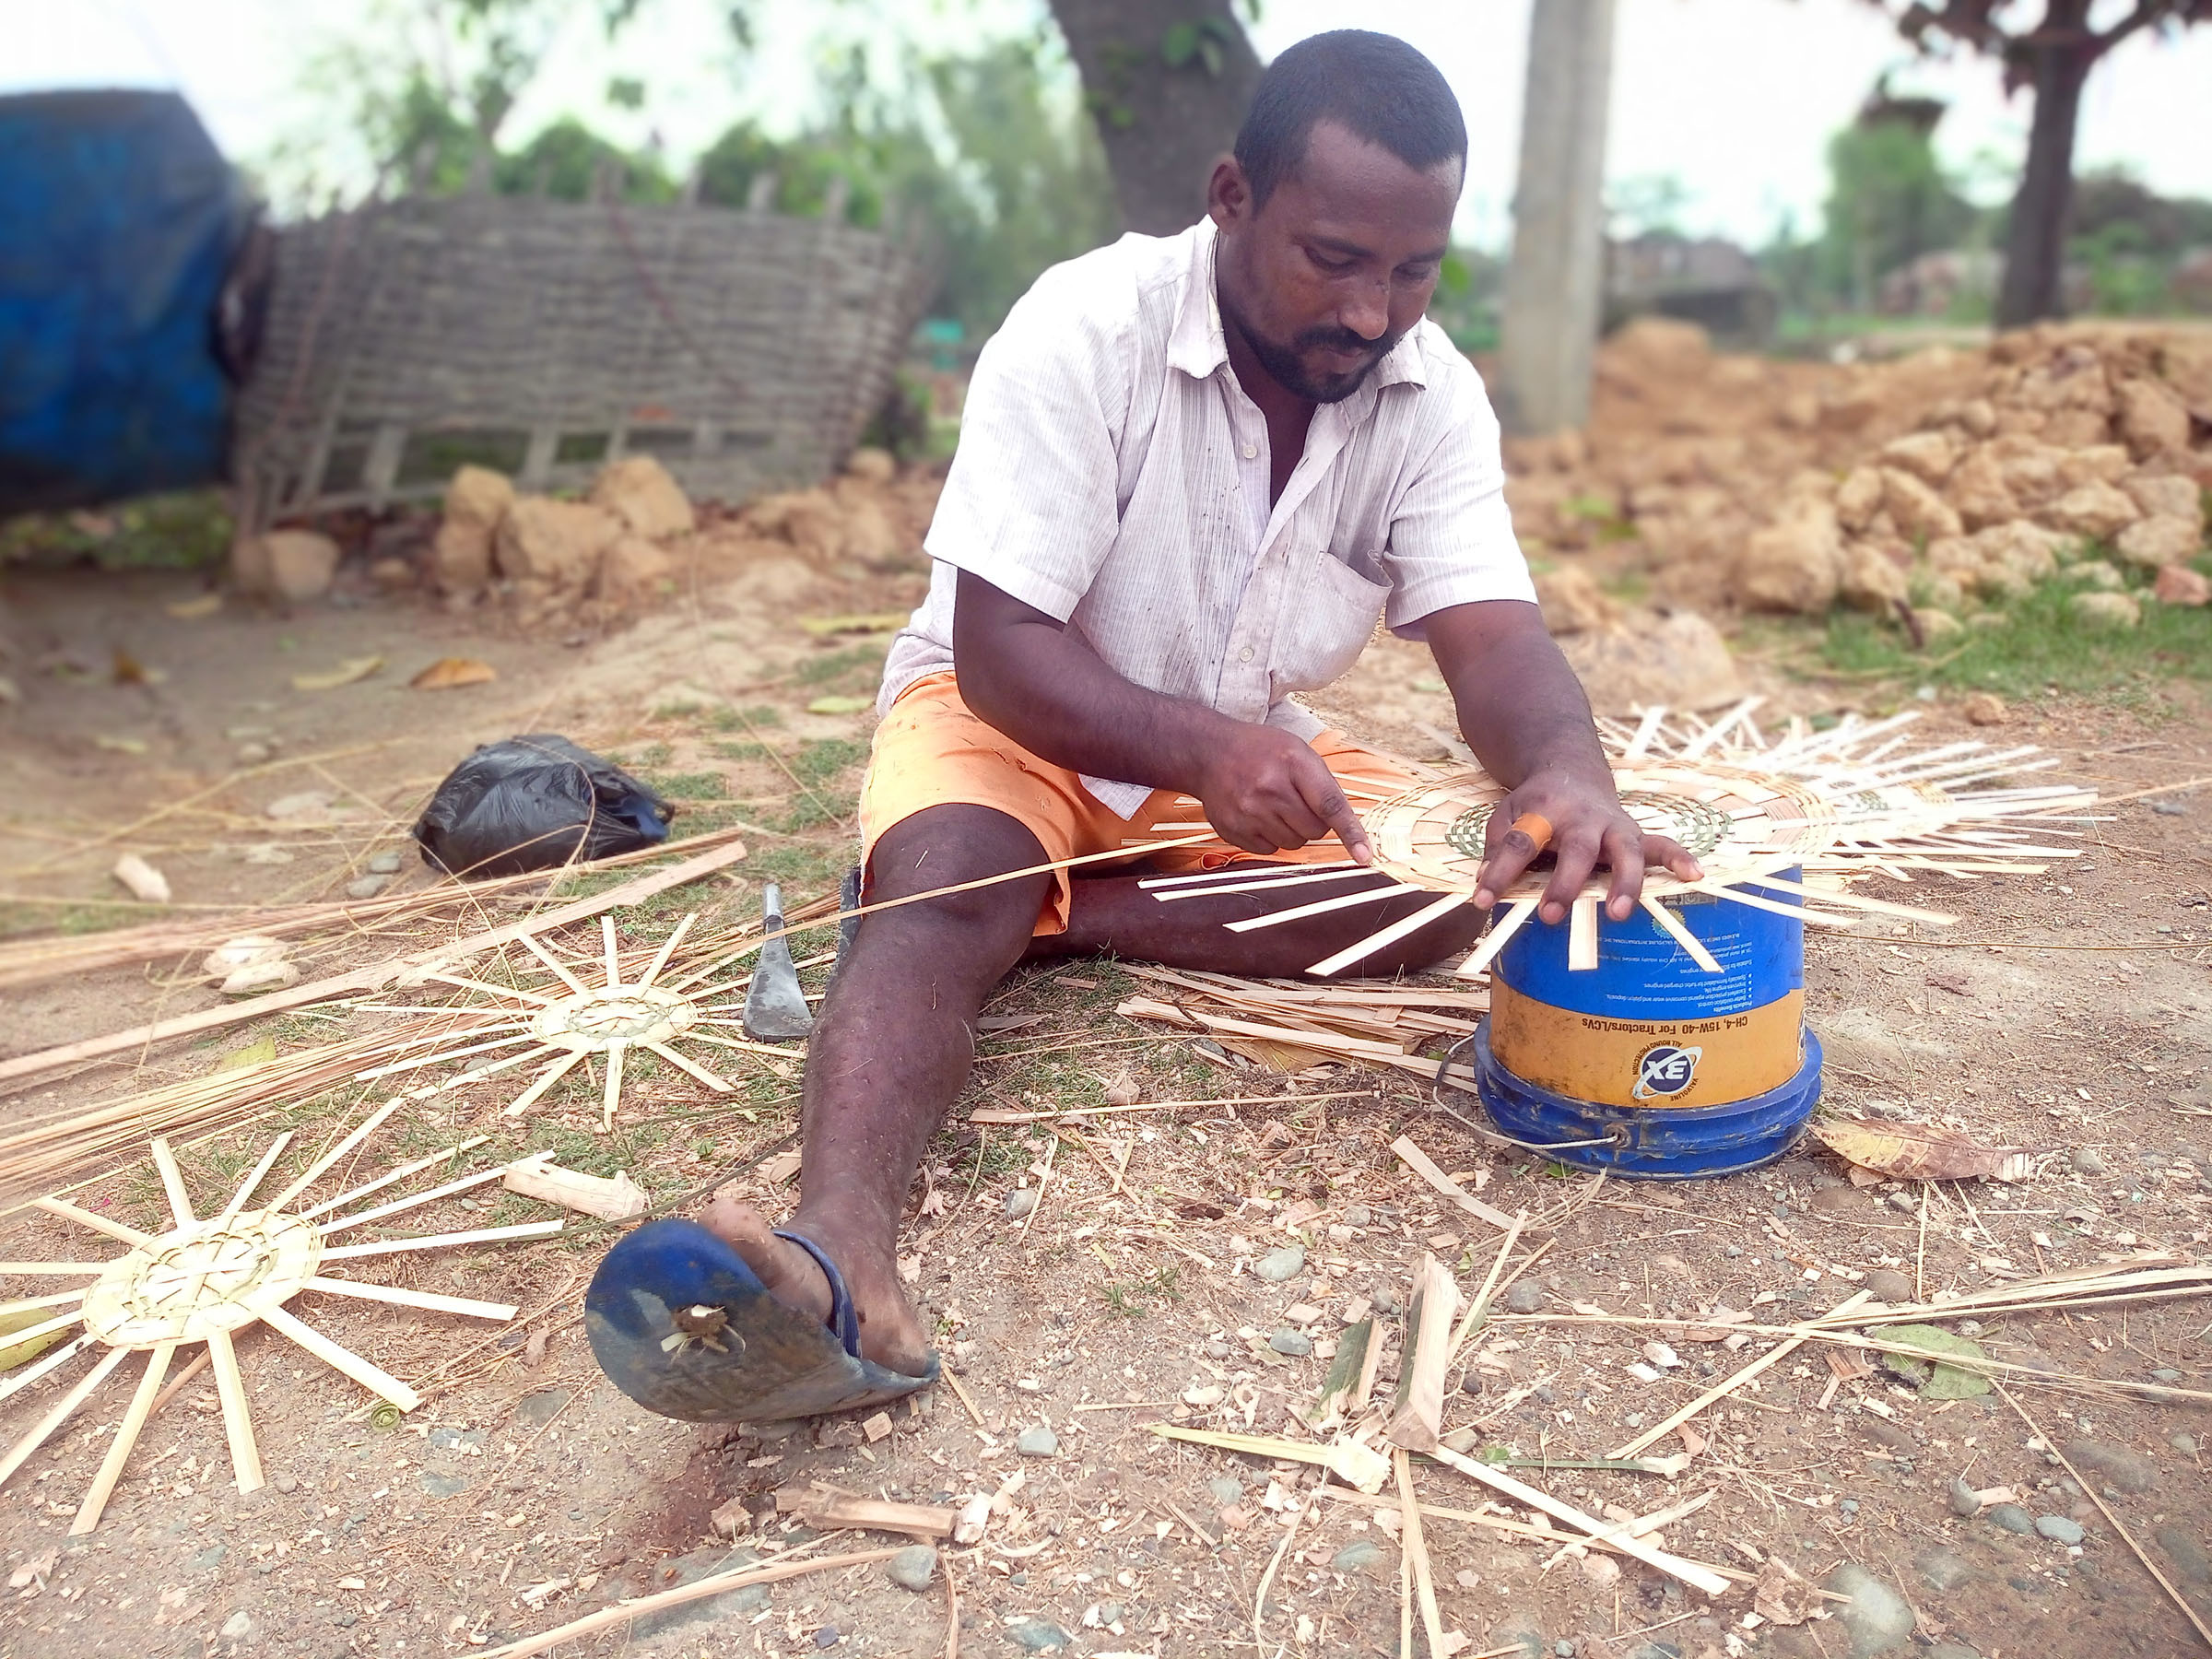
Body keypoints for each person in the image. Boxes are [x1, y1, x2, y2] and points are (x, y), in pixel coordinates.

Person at [583, 29, 1699, 1421]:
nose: (1373, 312)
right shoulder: (1085, 327)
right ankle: (835, 1246)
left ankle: (1064, 913)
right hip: (1016, 716)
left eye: (1414, 270)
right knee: (935, 898)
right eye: (1335, 258)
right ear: (1232, 197)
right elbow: (999, 651)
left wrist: (1561, 771)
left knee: (1459, 898)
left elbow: (1494, 637)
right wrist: (1208, 757)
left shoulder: (1431, 397)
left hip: (1223, 752)